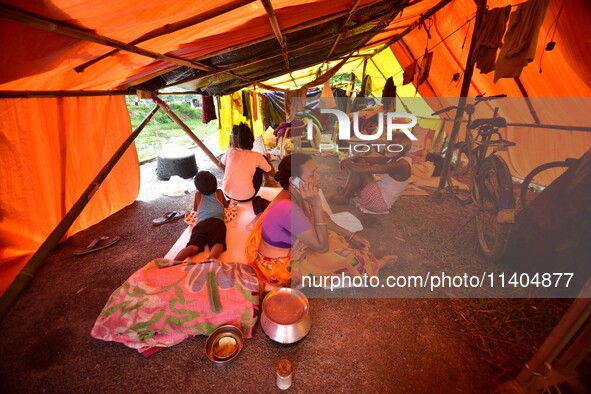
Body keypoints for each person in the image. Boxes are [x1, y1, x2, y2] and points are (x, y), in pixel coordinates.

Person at [245, 153, 396, 287]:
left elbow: (321, 219)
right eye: (312, 175)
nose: (318, 178)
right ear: (294, 182)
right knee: (341, 259)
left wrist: (350, 235)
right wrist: (316, 204)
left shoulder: (295, 195)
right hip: (279, 269)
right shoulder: (288, 208)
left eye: (316, 172)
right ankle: (375, 265)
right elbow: (321, 247)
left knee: (334, 237)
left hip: (292, 248)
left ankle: (361, 261)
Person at [329, 132, 412, 214]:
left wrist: (348, 163)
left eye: (390, 144)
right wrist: (351, 159)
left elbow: (364, 169)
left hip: (380, 204)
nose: (386, 146)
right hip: (379, 196)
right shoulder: (394, 158)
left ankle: (344, 197)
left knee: (361, 169)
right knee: (360, 163)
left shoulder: (401, 165)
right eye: (387, 143)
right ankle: (343, 194)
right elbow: (364, 158)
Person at [174, 171, 228, 261]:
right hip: (217, 223)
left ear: (198, 188)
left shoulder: (198, 195)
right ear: (215, 184)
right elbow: (226, 205)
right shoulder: (219, 192)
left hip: (201, 224)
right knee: (218, 242)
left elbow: (195, 209)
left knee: (192, 246)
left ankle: (174, 261)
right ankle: (212, 258)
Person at [220, 122, 276, 202]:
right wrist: (267, 159)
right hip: (247, 196)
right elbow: (273, 173)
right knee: (261, 162)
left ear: (235, 141)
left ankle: (266, 182)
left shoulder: (230, 151)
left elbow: (221, 164)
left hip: (227, 194)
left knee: (253, 165)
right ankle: (267, 182)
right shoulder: (257, 156)